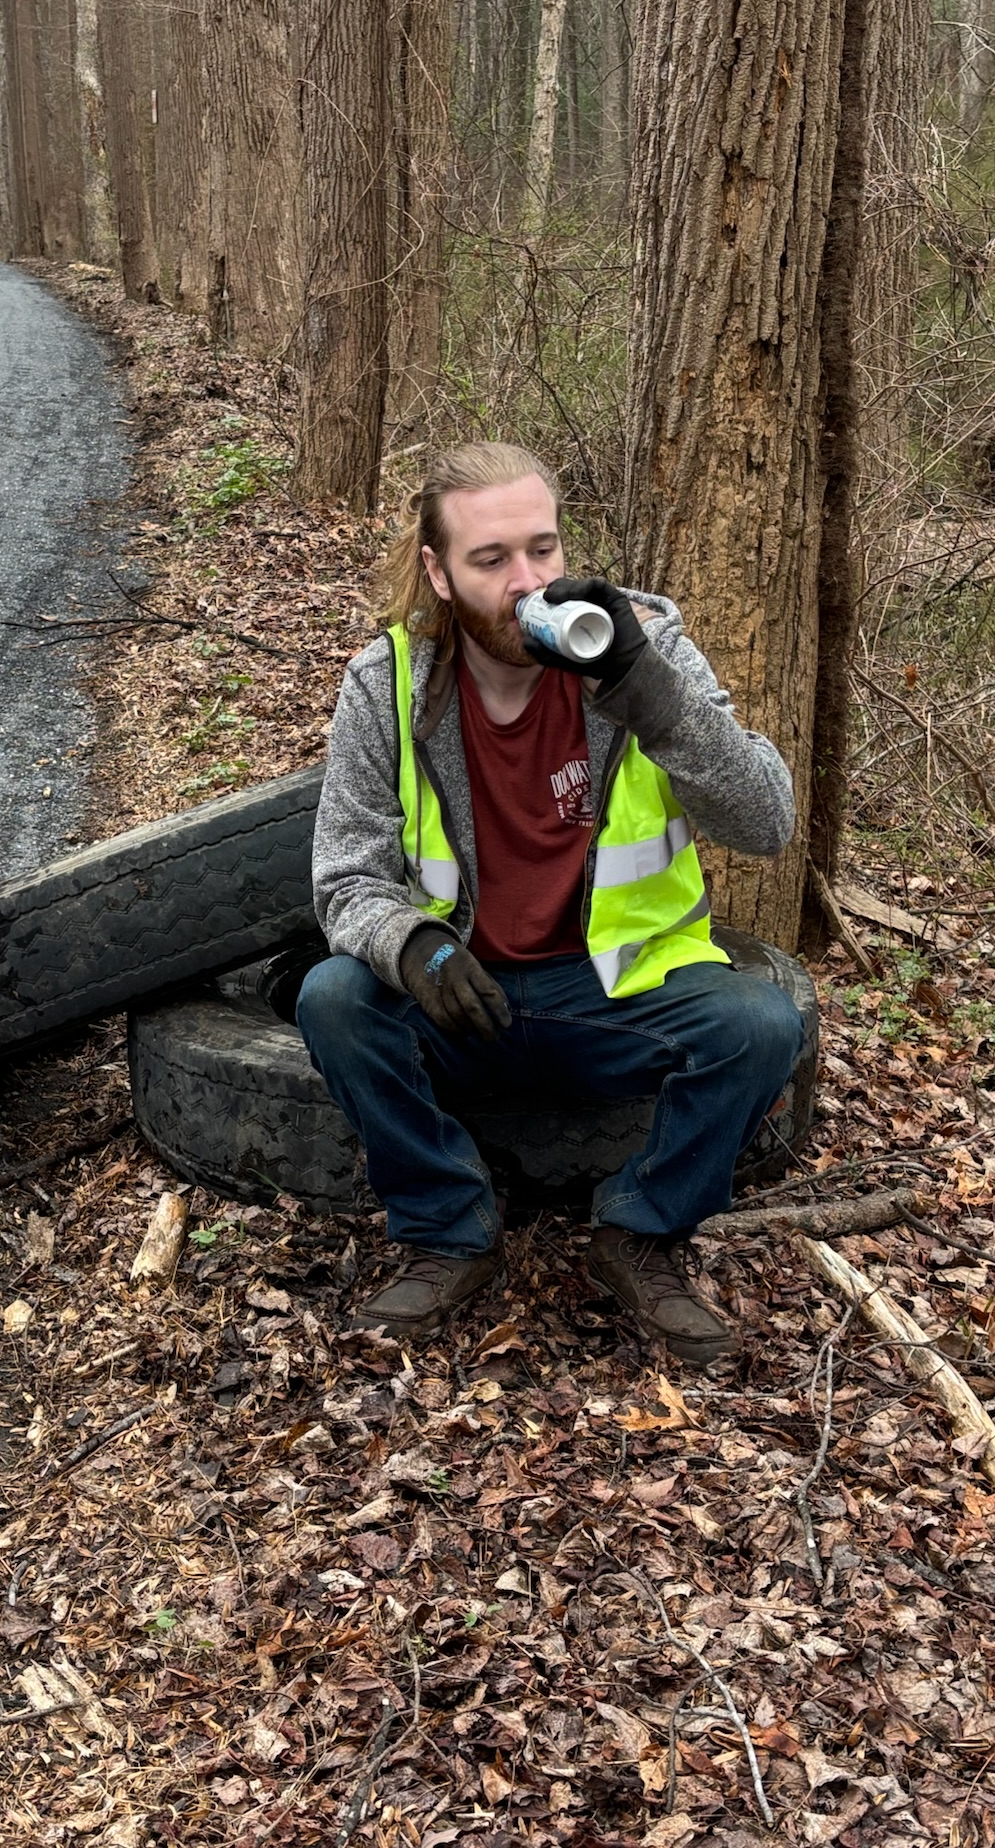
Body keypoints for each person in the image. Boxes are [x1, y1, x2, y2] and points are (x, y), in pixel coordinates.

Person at [296, 443, 803, 1362]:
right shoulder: (388, 684)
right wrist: (414, 946)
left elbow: (767, 821)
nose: (526, 581)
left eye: (544, 550)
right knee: (332, 997)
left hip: (609, 990)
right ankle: (449, 1230)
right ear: (437, 573)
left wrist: (652, 694)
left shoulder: (644, 654)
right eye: (490, 560)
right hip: (465, 995)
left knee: (763, 1026)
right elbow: (346, 877)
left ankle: (640, 1234)